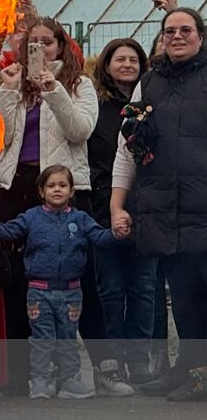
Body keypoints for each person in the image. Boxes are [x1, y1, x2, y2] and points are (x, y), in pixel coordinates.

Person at [0, 16, 98, 392]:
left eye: (47, 42)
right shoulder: (13, 87)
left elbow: (80, 130)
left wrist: (54, 90)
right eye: (32, 43)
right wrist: (7, 92)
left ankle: (82, 371)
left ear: (60, 46)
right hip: (17, 188)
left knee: (72, 280)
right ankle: (23, 376)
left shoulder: (78, 84)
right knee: (18, 283)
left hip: (62, 186)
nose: (40, 49)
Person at [110, 7, 207, 402]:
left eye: (186, 30)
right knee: (182, 295)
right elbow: (126, 146)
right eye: (170, 31)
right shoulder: (146, 85)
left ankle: (199, 375)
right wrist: (118, 206)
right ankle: (189, 368)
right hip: (164, 209)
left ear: (200, 36)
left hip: (204, 206)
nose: (177, 36)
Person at [0, 164, 128, 399]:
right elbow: (10, 231)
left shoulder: (81, 220)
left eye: (63, 185)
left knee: (67, 340)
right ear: (41, 191)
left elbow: (99, 237)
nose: (57, 190)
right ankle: (40, 380)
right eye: (51, 186)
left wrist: (116, 233)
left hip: (71, 294)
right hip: (39, 293)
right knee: (41, 341)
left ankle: (70, 381)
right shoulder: (32, 218)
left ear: (72, 191)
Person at [87, 37, 154, 392]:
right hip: (103, 207)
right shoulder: (95, 105)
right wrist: (109, 205)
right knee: (110, 289)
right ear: (107, 64)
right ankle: (111, 365)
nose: (127, 64)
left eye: (133, 59)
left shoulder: (150, 104)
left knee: (143, 289)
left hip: (147, 208)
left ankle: (140, 362)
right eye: (119, 59)